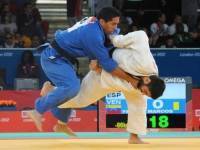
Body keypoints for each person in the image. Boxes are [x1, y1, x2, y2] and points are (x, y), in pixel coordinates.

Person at [41, 30, 165, 144]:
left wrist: (139, 90)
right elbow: (141, 36)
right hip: (107, 64)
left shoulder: (146, 84)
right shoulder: (144, 62)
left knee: (139, 102)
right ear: (147, 79)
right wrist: (118, 40)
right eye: (145, 91)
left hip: (115, 79)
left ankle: (134, 137)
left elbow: (127, 85)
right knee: (81, 100)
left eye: (146, 94)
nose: (143, 93)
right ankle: (52, 91)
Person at [27, 7, 139, 132]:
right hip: (53, 58)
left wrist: (97, 60)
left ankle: (61, 123)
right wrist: (131, 80)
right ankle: (38, 110)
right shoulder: (93, 35)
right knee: (72, 87)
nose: (115, 27)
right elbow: (108, 64)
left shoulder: (97, 26)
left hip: (65, 59)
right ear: (102, 22)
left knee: (73, 92)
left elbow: (98, 58)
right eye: (113, 24)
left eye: (117, 24)